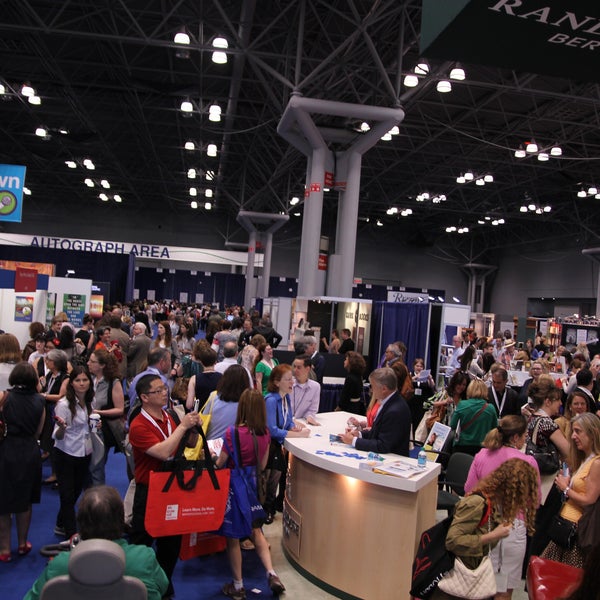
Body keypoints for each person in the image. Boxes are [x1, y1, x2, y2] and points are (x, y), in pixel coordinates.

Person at [23, 485, 169, 600]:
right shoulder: (144, 558)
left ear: (81, 522)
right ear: (120, 521)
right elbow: (163, 587)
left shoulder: (59, 564)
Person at [128, 373, 201, 597]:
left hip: (172, 487)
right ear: (144, 397)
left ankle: (163, 585)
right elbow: (162, 452)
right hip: (149, 491)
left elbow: (189, 443)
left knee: (171, 545)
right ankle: (136, 588)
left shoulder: (169, 416)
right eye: (157, 390)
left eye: (164, 389)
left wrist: (193, 429)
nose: (164, 392)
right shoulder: (138, 425)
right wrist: (181, 428)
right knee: (141, 544)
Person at [431, 459, 538, 600]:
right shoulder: (477, 504)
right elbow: (453, 541)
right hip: (455, 583)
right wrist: (492, 535)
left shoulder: (493, 506)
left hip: (469, 579)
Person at [215, 389, 285, 600]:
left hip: (234, 487)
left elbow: (220, 463)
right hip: (254, 487)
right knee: (257, 532)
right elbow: (262, 465)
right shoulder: (264, 432)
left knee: (233, 537)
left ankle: (238, 586)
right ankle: (272, 574)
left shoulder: (232, 432)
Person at [464, 416, 541, 600]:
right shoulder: (528, 462)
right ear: (515, 438)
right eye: (524, 436)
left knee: (481, 584)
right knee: (504, 590)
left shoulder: (482, 455)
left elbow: (469, 490)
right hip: (513, 529)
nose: (525, 440)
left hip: (485, 526)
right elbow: (535, 502)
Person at [542, 412, 600, 568]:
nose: (574, 436)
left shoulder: (596, 464)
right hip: (564, 526)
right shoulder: (583, 460)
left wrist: (565, 488)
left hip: (576, 533)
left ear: (593, 433)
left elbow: (589, 500)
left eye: (578, 431)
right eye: (573, 431)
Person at [0, 363, 45, 562]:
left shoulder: (4, 397)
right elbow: (38, 431)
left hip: (7, 449)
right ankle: (22, 543)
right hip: (29, 450)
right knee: (25, 499)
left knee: (4, 501)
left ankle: (4, 549)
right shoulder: (40, 401)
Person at [52, 366, 94, 539]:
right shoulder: (64, 405)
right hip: (66, 452)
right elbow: (58, 436)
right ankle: (71, 533)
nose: (82, 383)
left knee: (76, 491)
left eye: (85, 380)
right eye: (78, 380)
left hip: (84, 451)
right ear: (72, 383)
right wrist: (61, 427)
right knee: (67, 495)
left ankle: (61, 523)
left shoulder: (90, 401)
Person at [264, 364, 310, 522]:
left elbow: (288, 420)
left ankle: (270, 506)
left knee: (276, 477)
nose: (292, 382)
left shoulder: (286, 398)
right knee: (270, 480)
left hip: (278, 444)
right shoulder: (270, 400)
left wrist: (294, 428)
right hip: (268, 446)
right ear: (277, 382)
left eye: (292, 379)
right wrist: (296, 435)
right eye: (288, 379)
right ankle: (266, 510)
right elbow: (272, 429)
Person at [339, 367, 411, 456]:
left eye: (373, 386)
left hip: (392, 460)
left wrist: (353, 441)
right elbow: (378, 431)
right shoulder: (389, 401)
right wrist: (359, 434)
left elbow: (383, 445)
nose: (371, 390)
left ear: (384, 389)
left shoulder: (395, 410)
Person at [87, 348, 125, 485]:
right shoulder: (88, 379)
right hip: (86, 426)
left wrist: (98, 412)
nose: (88, 363)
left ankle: (98, 499)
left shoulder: (113, 383)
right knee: (87, 465)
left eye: (92, 361)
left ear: (102, 365)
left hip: (101, 429)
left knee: (96, 465)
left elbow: (119, 409)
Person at [449, 379, 498, 456]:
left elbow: (452, 425)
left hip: (462, 447)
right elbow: (495, 429)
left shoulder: (462, 405)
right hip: (482, 448)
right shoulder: (491, 408)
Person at [202, 364, 251, 440]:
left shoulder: (213, 396)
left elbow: (203, 419)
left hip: (212, 446)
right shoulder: (248, 401)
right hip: (236, 446)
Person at [186, 342, 222, 410]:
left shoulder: (194, 379)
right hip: (218, 414)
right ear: (215, 362)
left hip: (201, 417)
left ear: (201, 362)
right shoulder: (223, 378)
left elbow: (189, 404)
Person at [290, 354, 321, 425]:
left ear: (307, 369)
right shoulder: (288, 383)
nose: (295, 370)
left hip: (302, 423)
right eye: (294, 367)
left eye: (299, 367)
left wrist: (309, 417)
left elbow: (312, 409)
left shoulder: (315, 387)